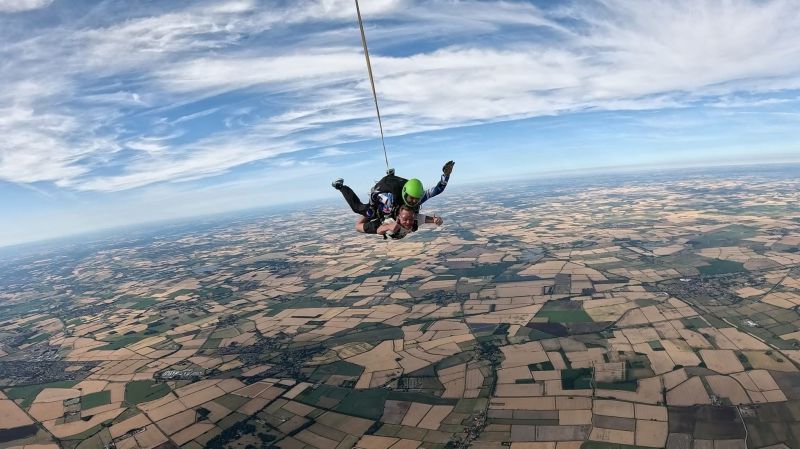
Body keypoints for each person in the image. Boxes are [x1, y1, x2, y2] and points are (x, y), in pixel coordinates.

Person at [333, 160, 454, 235]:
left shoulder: (417, 201)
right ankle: (341, 187)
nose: (413, 201)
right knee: (360, 209)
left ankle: (391, 176)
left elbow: (438, 190)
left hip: (389, 215)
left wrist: (446, 175)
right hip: (383, 206)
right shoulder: (390, 202)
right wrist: (376, 206)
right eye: (411, 198)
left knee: (362, 222)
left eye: (416, 199)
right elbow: (375, 196)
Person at [355, 205, 443, 239]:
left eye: (411, 219)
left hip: (394, 233)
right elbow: (379, 230)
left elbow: (434, 220)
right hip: (384, 226)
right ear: (398, 217)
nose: (408, 222)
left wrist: (438, 220)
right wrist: (388, 227)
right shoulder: (391, 222)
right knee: (358, 227)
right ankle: (370, 212)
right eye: (405, 219)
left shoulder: (416, 219)